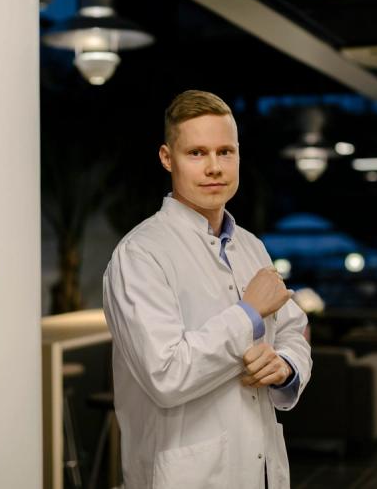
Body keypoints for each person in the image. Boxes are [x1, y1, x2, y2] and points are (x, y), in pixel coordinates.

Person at [103, 90, 312, 489]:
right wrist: (248, 314)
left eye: (225, 152)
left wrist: (286, 366)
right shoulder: (139, 255)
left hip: (262, 470)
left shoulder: (251, 246)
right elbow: (165, 375)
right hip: (185, 475)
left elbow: (292, 328)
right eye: (197, 153)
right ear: (167, 158)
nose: (214, 167)